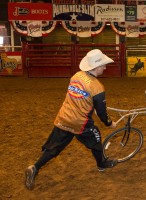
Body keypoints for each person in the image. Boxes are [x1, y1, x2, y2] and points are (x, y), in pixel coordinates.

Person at [25, 49, 118, 190]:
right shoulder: (97, 87)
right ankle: (101, 164)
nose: (105, 67)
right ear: (96, 67)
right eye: (103, 65)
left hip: (64, 117)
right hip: (80, 122)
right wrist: (110, 123)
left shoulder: (76, 76)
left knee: (54, 148)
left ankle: (34, 167)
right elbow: (102, 114)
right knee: (96, 140)